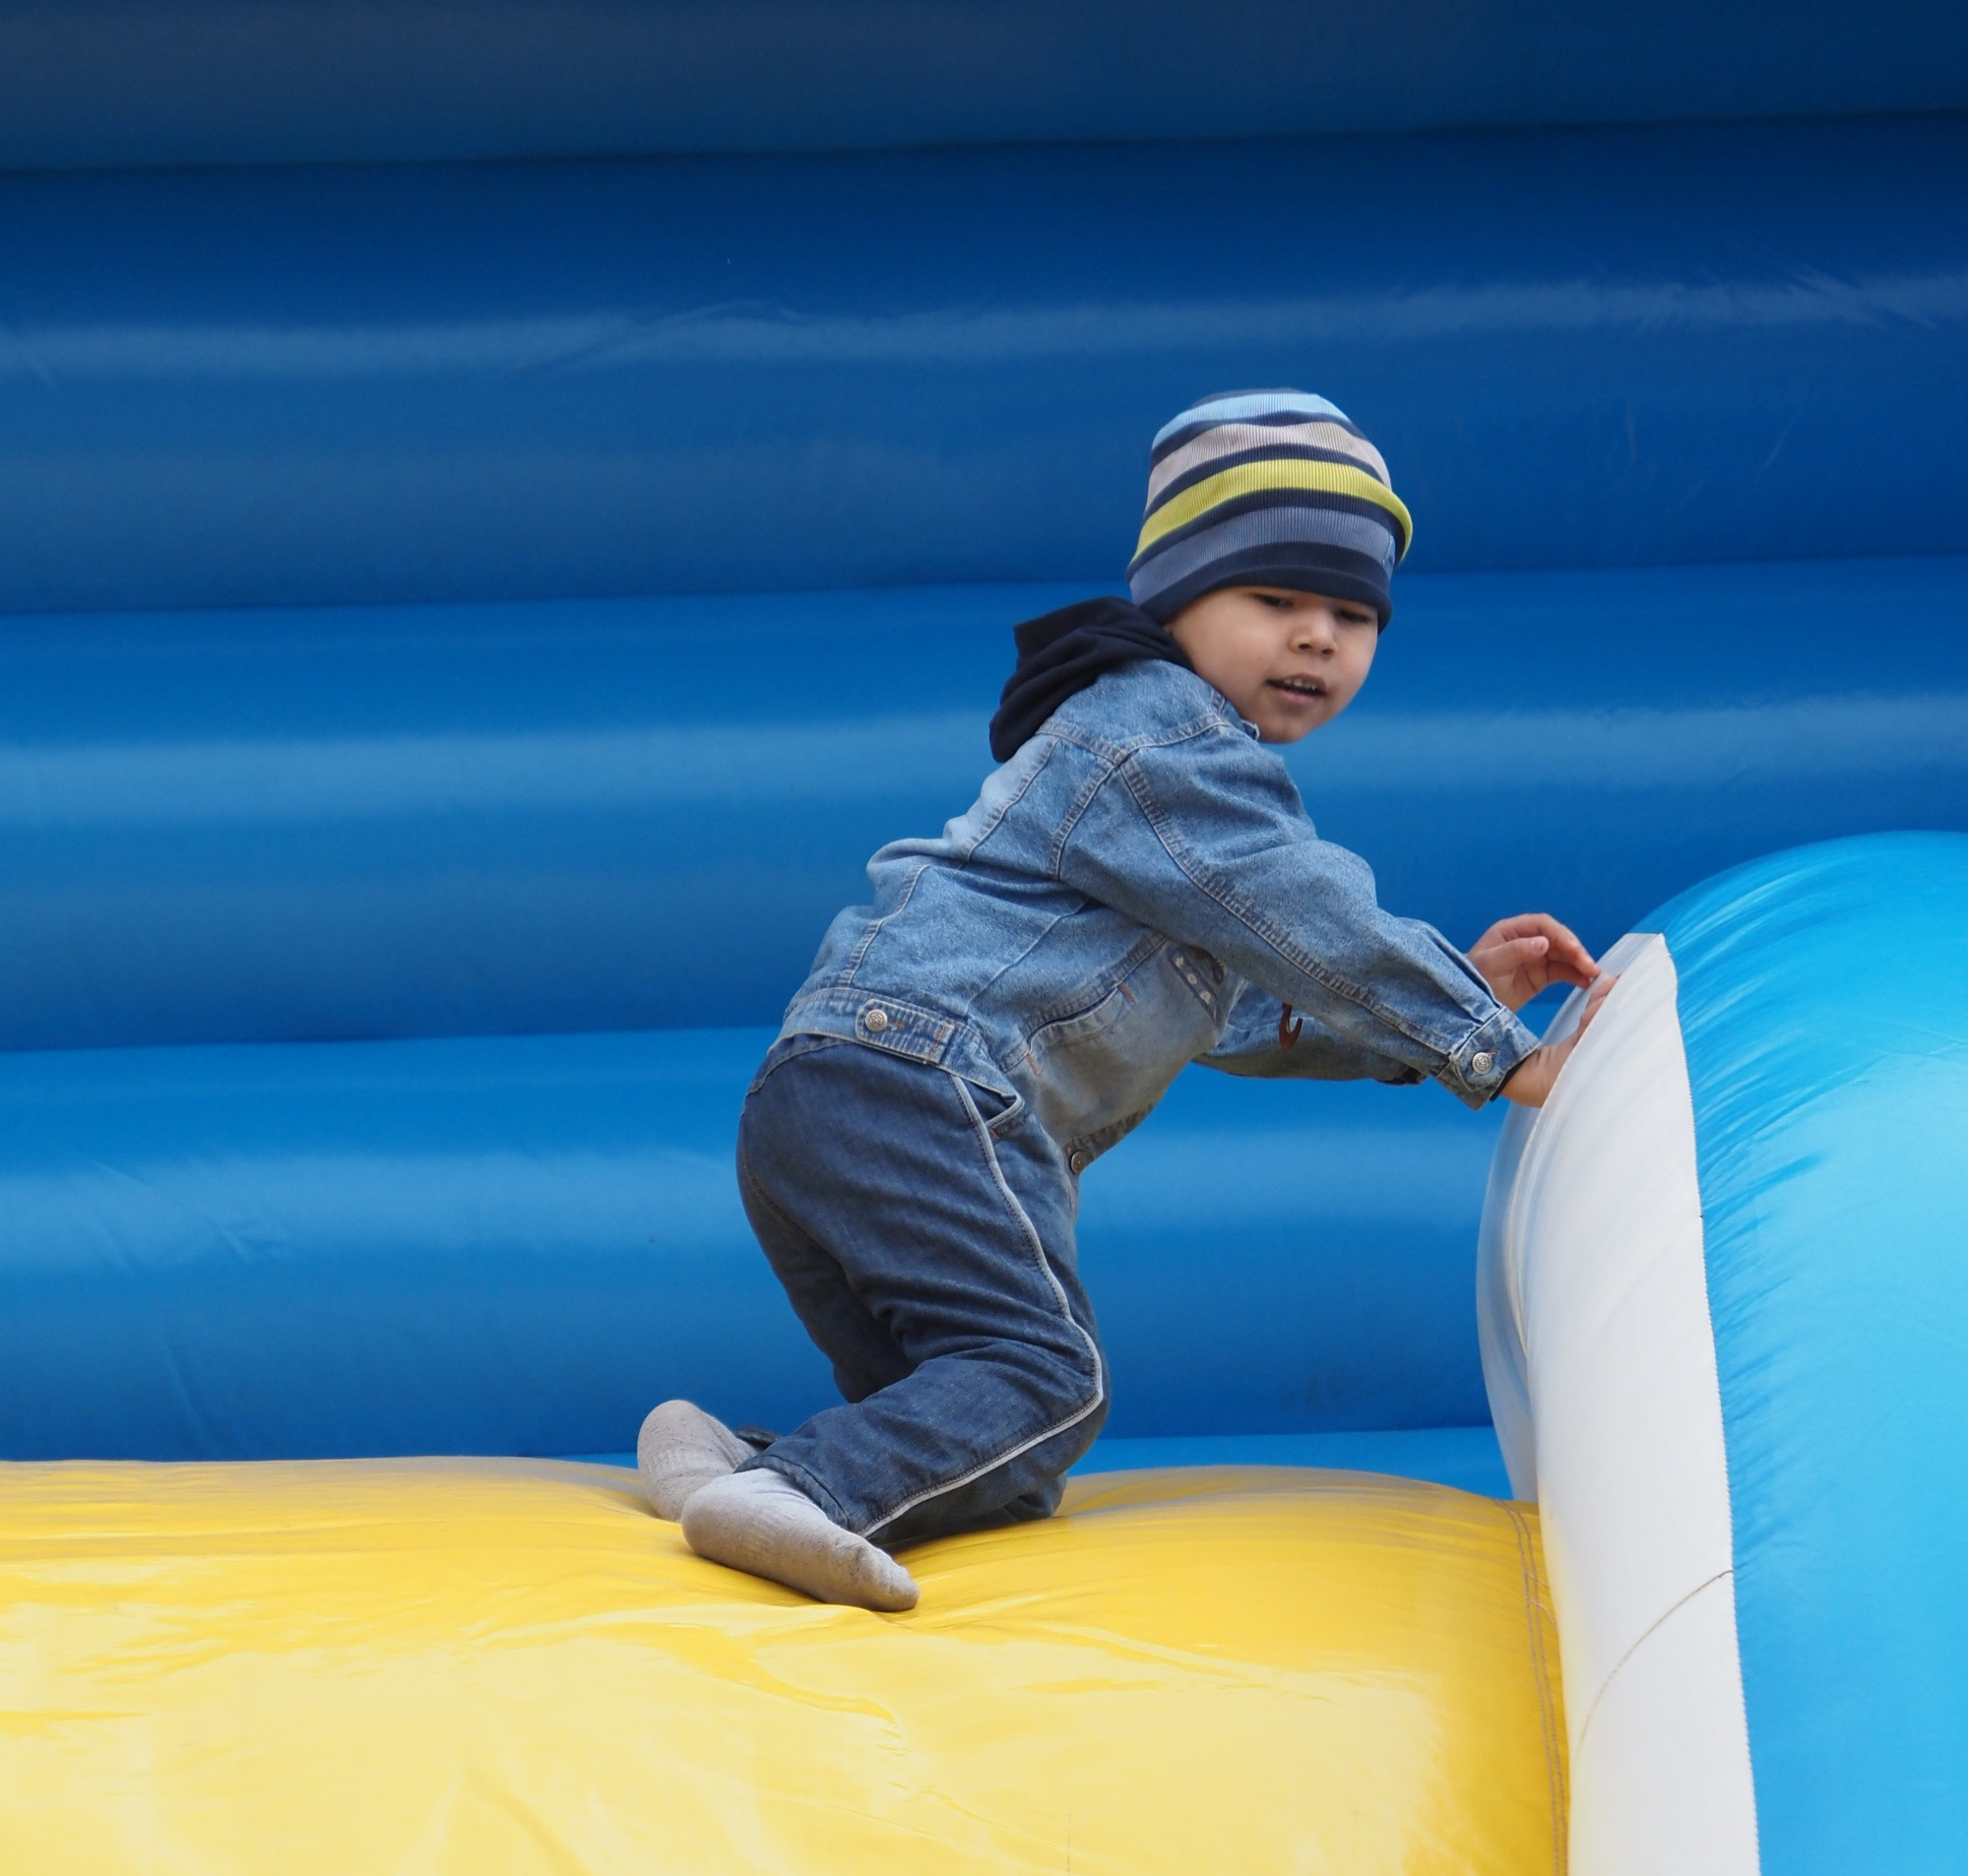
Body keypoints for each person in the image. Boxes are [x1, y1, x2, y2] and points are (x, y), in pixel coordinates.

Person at [636, 388, 1602, 1612]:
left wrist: (1436, 1004)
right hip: (924, 1089)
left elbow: (1238, 1006)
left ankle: (731, 1462)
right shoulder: (1158, 739)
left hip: (829, 1099)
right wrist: (1489, 1043)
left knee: (999, 1440)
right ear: (1173, 602)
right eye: (1274, 602)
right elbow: (1301, 911)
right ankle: (804, 1494)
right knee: (1045, 1372)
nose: (1316, 639)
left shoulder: (1153, 784)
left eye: (1353, 616)